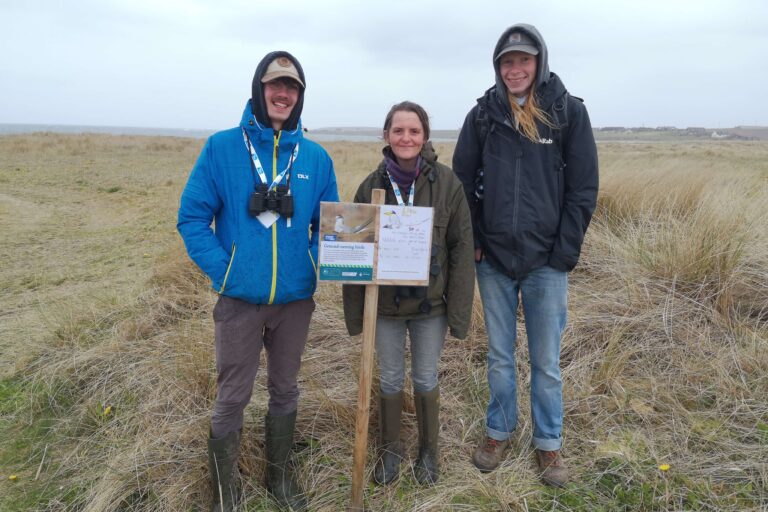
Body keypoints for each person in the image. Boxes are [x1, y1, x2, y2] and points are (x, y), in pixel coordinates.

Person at [177, 51, 338, 511]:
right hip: (238, 301)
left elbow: (329, 228)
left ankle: (280, 480)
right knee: (232, 396)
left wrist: (309, 263)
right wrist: (224, 270)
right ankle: (225, 494)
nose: (283, 94)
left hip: (294, 302)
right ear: (259, 89)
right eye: (274, 85)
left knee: (286, 388)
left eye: (292, 88)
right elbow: (191, 219)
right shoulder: (222, 147)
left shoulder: (316, 158)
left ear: (300, 98)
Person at [453, 24, 599, 487]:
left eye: (523, 60)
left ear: (539, 62)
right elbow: (461, 183)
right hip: (493, 258)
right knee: (499, 355)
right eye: (507, 61)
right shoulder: (483, 115)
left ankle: (549, 444)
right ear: (498, 68)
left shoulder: (568, 113)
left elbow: (583, 189)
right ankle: (498, 431)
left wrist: (564, 253)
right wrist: (476, 238)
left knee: (546, 361)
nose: (515, 69)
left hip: (546, 263)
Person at [342, 101, 475, 486]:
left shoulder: (448, 184)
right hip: (383, 307)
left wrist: (459, 313)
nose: (406, 138)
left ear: (425, 136)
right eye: (398, 131)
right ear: (386, 136)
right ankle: (389, 454)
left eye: (413, 131)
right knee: (389, 380)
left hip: (430, 307)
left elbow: (462, 249)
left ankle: (428, 454)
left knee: (425, 378)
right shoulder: (371, 186)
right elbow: (354, 248)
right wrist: (355, 314)